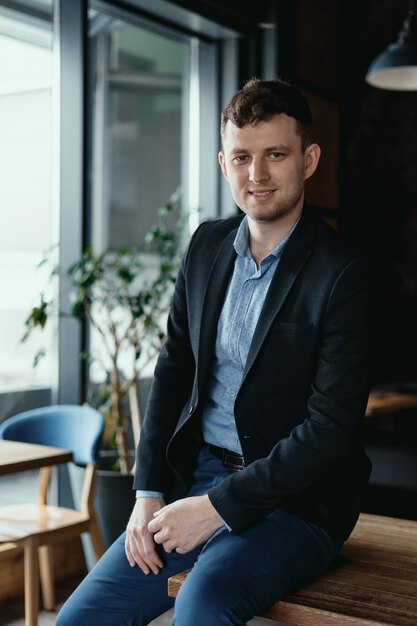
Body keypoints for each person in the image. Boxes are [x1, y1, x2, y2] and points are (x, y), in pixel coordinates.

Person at [57, 78, 371, 626]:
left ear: (309, 159)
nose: (258, 175)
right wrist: (148, 490)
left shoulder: (342, 272)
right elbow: (173, 371)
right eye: (243, 157)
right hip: (197, 477)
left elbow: (330, 429)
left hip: (299, 502)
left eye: (276, 154)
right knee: (80, 619)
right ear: (224, 164)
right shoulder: (205, 247)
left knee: (202, 607)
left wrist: (217, 510)